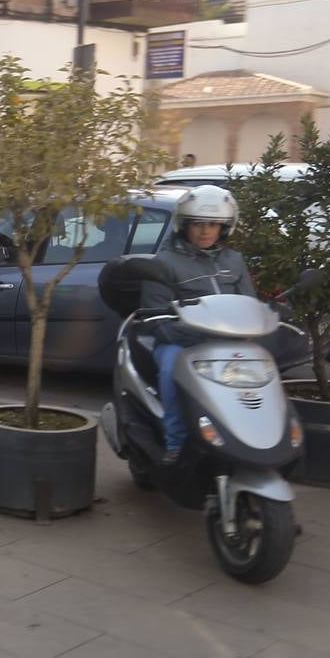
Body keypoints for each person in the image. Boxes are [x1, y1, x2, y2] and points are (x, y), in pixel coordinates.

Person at [140, 185, 256, 465]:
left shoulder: (234, 261)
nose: (205, 231)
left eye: (213, 224)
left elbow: (249, 303)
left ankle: (253, 437)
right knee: (170, 370)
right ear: (184, 225)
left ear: (224, 227)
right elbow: (155, 313)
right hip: (180, 342)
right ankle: (175, 443)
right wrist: (179, 332)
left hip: (226, 342)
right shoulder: (164, 262)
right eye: (198, 224)